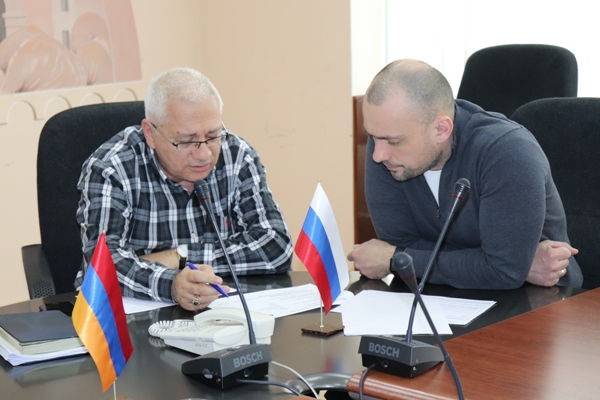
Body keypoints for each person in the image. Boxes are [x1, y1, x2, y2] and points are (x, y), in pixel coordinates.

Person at [347, 59, 583, 289]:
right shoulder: (387, 147)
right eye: (372, 136)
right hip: (435, 294)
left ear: (441, 129)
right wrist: (507, 265)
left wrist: (396, 259)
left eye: (394, 141)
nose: (377, 155)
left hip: (537, 299)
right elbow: (399, 245)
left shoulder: (508, 152)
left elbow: (503, 271)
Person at [75, 67, 293, 310]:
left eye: (213, 135)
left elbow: (276, 247)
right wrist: (172, 285)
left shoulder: (237, 155)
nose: (204, 154)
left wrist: (180, 256)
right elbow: (102, 266)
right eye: (187, 141)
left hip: (219, 309)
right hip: (133, 317)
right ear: (150, 133)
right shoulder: (111, 168)